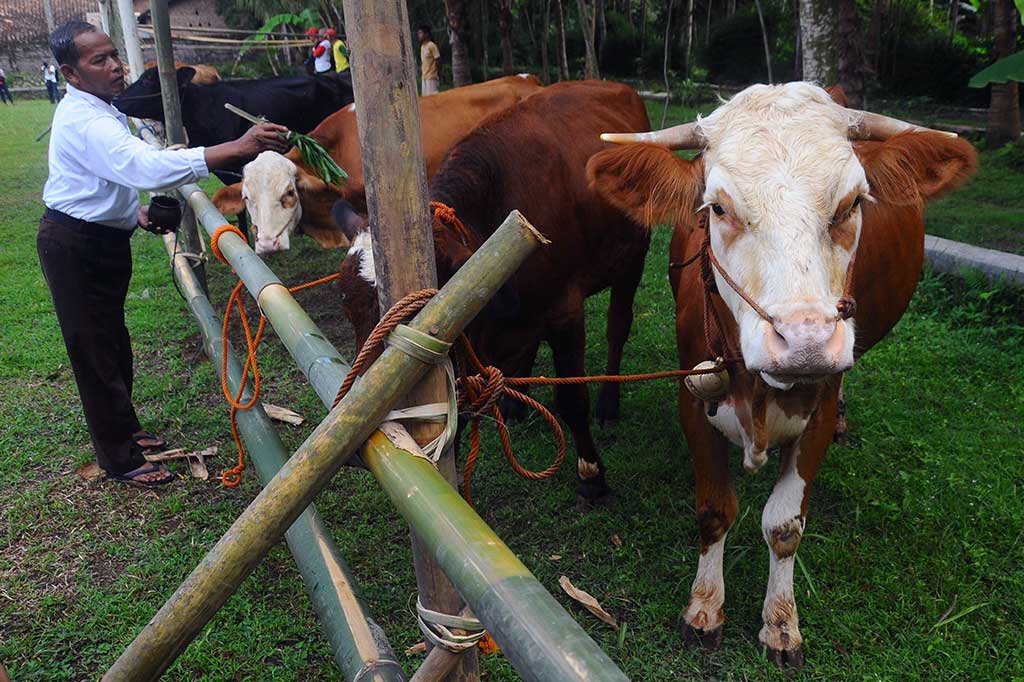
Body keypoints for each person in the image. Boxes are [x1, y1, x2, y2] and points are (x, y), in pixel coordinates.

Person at [39, 20, 290, 487]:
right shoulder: (87, 118)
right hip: (75, 244)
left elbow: (94, 180)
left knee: (113, 340)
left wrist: (130, 214)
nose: (115, 66)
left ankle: (126, 427)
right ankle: (119, 459)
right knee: (94, 350)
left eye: (114, 55)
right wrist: (234, 147)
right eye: (100, 60)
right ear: (71, 74)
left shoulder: (102, 108)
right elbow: (143, 166)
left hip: (100, 237)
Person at [417, 25, 441, 96]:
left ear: (426, 34)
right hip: (424, 77)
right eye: (418, 33)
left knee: (433, 98)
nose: (419, 35)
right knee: (425, 99)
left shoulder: (432, 45)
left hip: (431, 77)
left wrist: (439, 74)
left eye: (420, 33)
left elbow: (438, 60)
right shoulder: (422, 47)